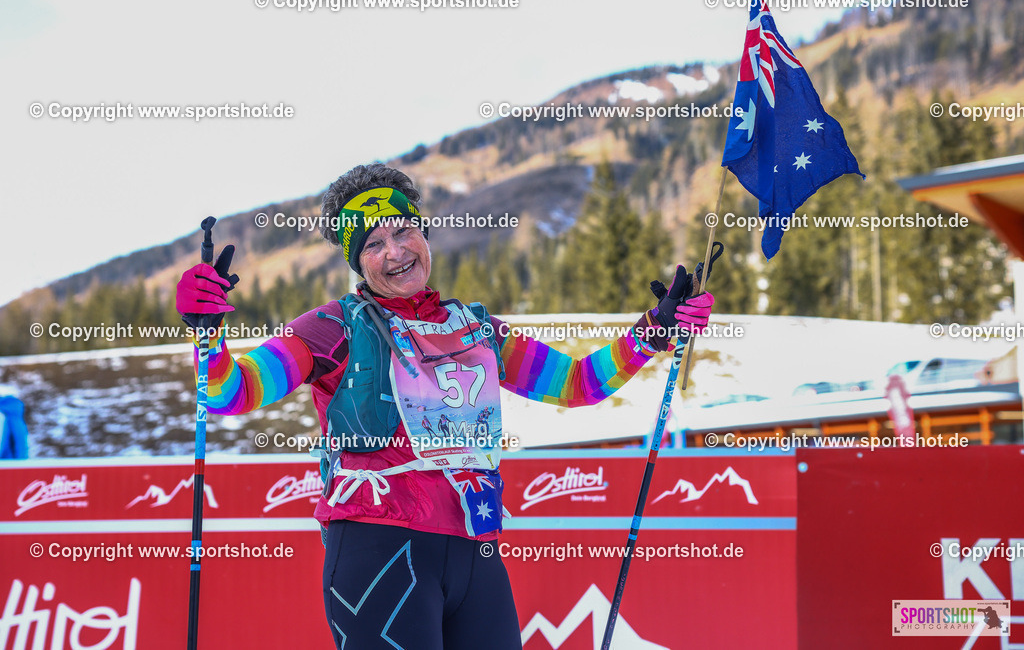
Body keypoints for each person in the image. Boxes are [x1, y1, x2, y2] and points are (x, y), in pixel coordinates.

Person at [175, 162, 714, 650]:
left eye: (404, 230)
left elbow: (576, 382)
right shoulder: (332, 326)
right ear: (356, 262)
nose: (395, 250)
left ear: (423, 231)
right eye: (373, 242)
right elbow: (232, 391)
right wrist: (207, 334)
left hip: (474, 548)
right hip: (378, 544)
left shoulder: (475, 327)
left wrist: (653, 331)